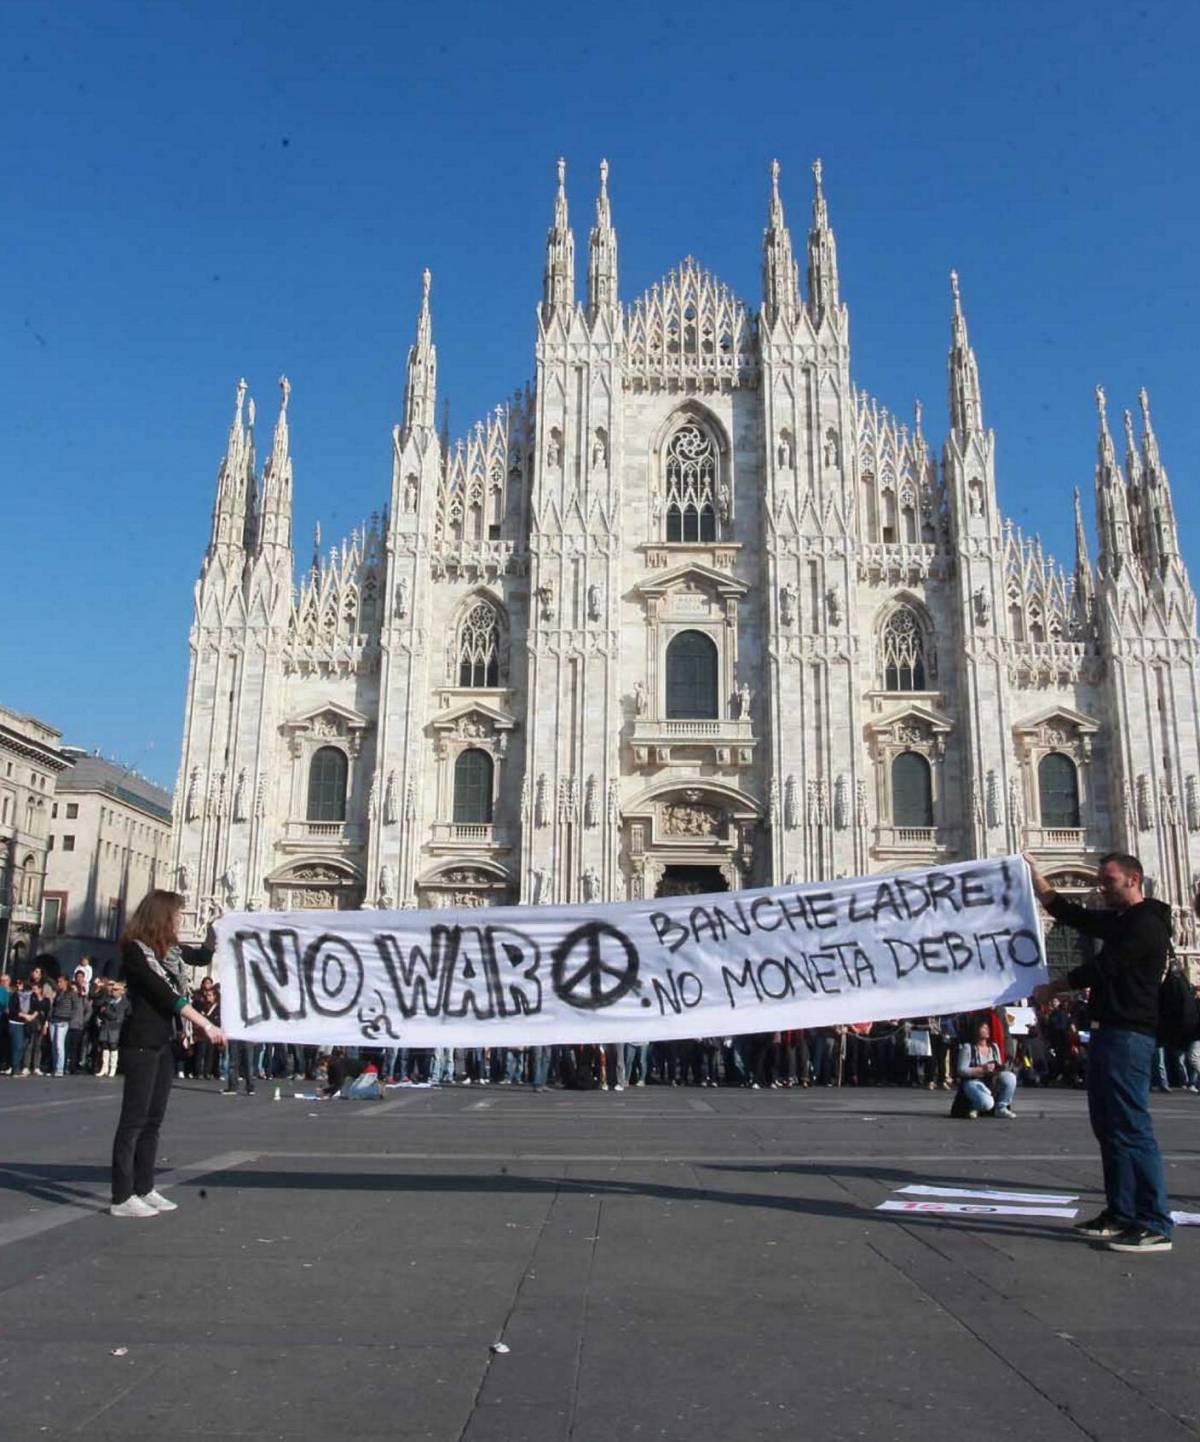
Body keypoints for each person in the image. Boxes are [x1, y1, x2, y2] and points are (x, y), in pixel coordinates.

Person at [1026, 851, 1173, 1254]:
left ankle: (1155, 1222)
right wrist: (1035, 876)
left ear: (1134, 879)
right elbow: (1075, 915)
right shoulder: (1122, 920)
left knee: (1131, 1128)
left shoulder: (1146, 924)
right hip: (1108, 1033)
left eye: (1108, 881)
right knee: (1109, 1128)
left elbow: (1104, 967)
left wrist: (1054, 987)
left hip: (1129, 1035)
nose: (1101, 888)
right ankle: (1121, 1212)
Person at [109, 890, 224, 1218]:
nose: (179, 920)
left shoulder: (169, 950)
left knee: (153, 1120)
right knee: (133, 1121)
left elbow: (199, 958)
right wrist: (205, 1024)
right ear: (161, 916)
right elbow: (164, 993)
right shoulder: (135, 951)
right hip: (141, 1042)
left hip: (162, 1042)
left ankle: (144, 1187)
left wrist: (214, 935)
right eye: (175, 915)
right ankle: (121, 1196)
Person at [954, 1017, 1017, 1118]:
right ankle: (973, 1106)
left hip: (990, 1081)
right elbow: (961, 1070)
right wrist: (981, 1069)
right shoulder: (968, 1048)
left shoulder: (993, 1047)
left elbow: (999, 1065)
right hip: (973, 1082)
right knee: (987, 1104)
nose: (987, 1030)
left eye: (988, 1027)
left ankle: (1001, 1107)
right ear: (976, 1030)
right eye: (983, 1028)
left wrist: (997, 1070)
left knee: (1010, 1077)